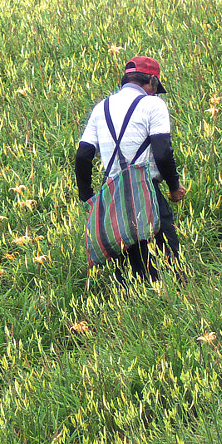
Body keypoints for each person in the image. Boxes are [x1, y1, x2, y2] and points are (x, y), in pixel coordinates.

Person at [76, 55, 186, 284]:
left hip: (113, 196)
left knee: (128, 268)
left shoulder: (100, 108)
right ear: (152, 82)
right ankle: (172, 299)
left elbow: (83, 154)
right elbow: (162, 151)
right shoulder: (152, 104)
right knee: (169, 262)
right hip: (147, 191)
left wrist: (88, 197)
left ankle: (134, 306)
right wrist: (174, 186)